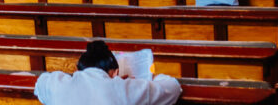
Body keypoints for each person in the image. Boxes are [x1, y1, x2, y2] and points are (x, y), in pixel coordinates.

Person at [34, 39, 181, 105]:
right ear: (115, 73)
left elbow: (40, 83)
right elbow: (173, 87)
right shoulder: (124, 89)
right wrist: (153, 78)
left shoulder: (57, 84)